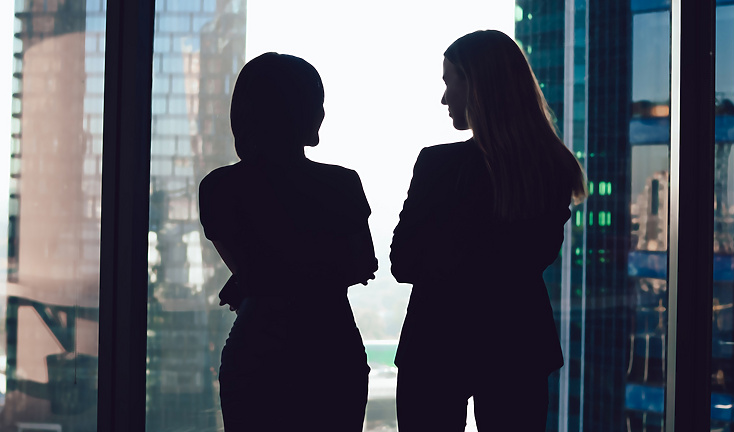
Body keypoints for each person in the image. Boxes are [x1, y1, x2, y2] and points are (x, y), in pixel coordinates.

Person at [391, 30, 587, 431]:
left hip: (435, 343)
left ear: (477, 85)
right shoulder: (552, 169)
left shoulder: (438, 165)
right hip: (517, 345)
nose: (444, 98)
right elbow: (523, 261)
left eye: (449, 81)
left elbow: (403, 262)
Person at [199, 53, 377, 432]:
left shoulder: (219, 187)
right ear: (304, 111)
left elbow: (250, 269)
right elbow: (361, 265)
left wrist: (256, 278)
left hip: (258, 346)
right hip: (331, 346)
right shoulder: (342, 184)